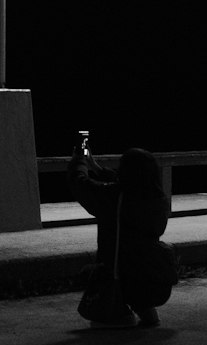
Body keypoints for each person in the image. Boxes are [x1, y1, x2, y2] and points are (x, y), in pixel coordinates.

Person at [68, 137, 174, 327]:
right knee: (136, 258)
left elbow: (81, 184)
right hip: (151, 275)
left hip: (120, 273)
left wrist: (80, 161)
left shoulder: (117, 199)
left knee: (97, 280)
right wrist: (97, 167)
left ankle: (120, 315)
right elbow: (127, 186)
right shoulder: (158, 199)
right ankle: (145, 308)